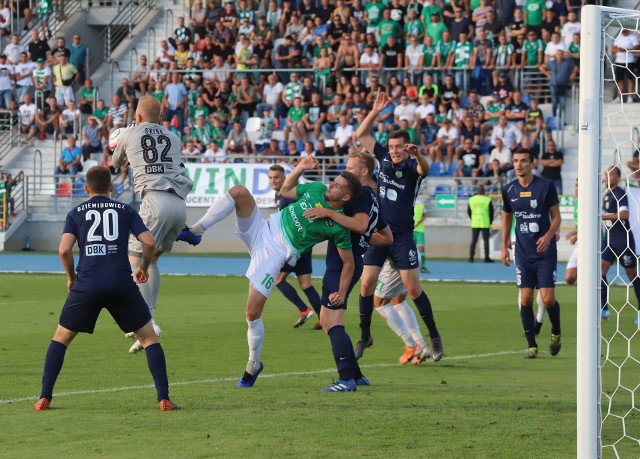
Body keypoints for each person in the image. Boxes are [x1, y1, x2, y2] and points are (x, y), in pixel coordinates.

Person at [176, 157, 361, 388]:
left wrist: (342, 292)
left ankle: (253, 365)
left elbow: (349, 264)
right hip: (263, 228)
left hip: (275, 254)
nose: (331, 184)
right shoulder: (316, 188)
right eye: (334, 180)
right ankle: (196, 231)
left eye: (338, 185)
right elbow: (286, 189)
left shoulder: (338, 227)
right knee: (239, 192)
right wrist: (301, 167)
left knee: (252, 313)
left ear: (345, 197)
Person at [34, 166, 177, 412]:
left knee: (61, 338)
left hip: (87, 283)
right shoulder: (125, 210)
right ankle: (163, 399)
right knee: (148, 337)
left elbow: (64, 250)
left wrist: (71, 278)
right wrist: (143, 266)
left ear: (86, 189)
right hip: (121, 283)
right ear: (111, 187)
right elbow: (149, 242)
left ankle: (44, 398)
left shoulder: (75, 213)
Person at [285, 151, 392, 391]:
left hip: (345, 264)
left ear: (364, 172)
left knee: (332, 322)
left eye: (351, 168)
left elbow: (363, 225)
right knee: (326, 320)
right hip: (343, 261)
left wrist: (329, 213)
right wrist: (364, 240)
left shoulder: (362, 193)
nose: (345, 171)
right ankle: (356, 374)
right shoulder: (370, 198)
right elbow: (387, 237)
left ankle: (346, 379)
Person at [354, 91, 443, 362]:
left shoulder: (414, 167)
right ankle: (365, 336)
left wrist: (419, 155)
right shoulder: (380, 157)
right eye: (391, 146)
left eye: (398, 147)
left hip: (402, 235)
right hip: (379, 232)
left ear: (407, 147)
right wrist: (375, 111)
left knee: (412, 288)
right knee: (366, 286)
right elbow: (362, 134)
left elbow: (425, 170)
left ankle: (434, 336)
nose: (393, 150)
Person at [112, 95, 194, 354]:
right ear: (160, 117)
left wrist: (123, 146)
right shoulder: (174, 137)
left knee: (134, 260)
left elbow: (115, 165)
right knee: (153, 260)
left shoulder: (129, 134)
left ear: (136, 117)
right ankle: (150, 317)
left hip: (154, 200)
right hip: (179, 205)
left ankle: (146, 322)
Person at [501, 148, 562, 359]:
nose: (519, 165)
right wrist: (504, 245)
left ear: (533, 163)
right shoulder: (508, 189)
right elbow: (506, 217)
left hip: (545, 252)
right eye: (516, 161)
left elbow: (556, 218)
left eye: (523, 161)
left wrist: (548, 236)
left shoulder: (546, 186)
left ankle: (556, 331)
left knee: (547, 298)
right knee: (525, 298)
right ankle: (532, 345)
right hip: (523, 252)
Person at [267, 165, 322, 328]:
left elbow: (290, 222)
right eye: (270, 178)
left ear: (284, 178)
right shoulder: (281, 195)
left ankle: (303, 309)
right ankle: (324, 318)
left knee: (278, 280)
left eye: (276, 177)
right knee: (305, 283)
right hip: (304, 245)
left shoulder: (287, 196)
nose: (272, 181)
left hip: (293, 246)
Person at [600, 166, 640, 323]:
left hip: (624, 242)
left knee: (632, 275)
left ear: (617, 178)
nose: (606, 177)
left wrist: (602, 217)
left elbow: (624, 214)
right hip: (609, 241)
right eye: (605, 173)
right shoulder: (605, 194)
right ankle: (604, 309)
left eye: (610, 174)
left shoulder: (619, 194)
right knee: (600, 271)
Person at [373, 259, 431, 364]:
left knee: (379, 303)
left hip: (396, 259)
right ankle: (422, 346)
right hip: (412, 255)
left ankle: (411, 346)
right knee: (398, 300)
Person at [467, 184, 494, 263]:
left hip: (475, 222)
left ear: (477, 191)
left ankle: (471, 257)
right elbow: (491, 212)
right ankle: (486, 257)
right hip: (485, 222)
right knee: (486, 240)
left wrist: (472, 218)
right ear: (484, 191)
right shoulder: (487, 200)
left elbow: (468, 211)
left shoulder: (471, 199)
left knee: (474, 240)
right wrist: (490, 221)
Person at [565, 178, 578, 286]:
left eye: (580, 186)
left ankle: (602, 295)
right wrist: (574, 232)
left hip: (593, 246)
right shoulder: (576, 203)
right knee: (569, 278)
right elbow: (582, 225)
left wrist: (576, 236)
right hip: (580, 246)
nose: (577, 189)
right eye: (576, 185)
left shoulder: (589, 204)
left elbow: (591, 226)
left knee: (597, 274)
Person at [413, 200, 429, 273]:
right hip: (409, 230)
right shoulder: (406, 200)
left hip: (419, 230)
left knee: (421, 248)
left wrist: (419, 222)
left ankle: (422, 266)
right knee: (409, 248)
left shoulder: (420, 204)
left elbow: (425, 215)